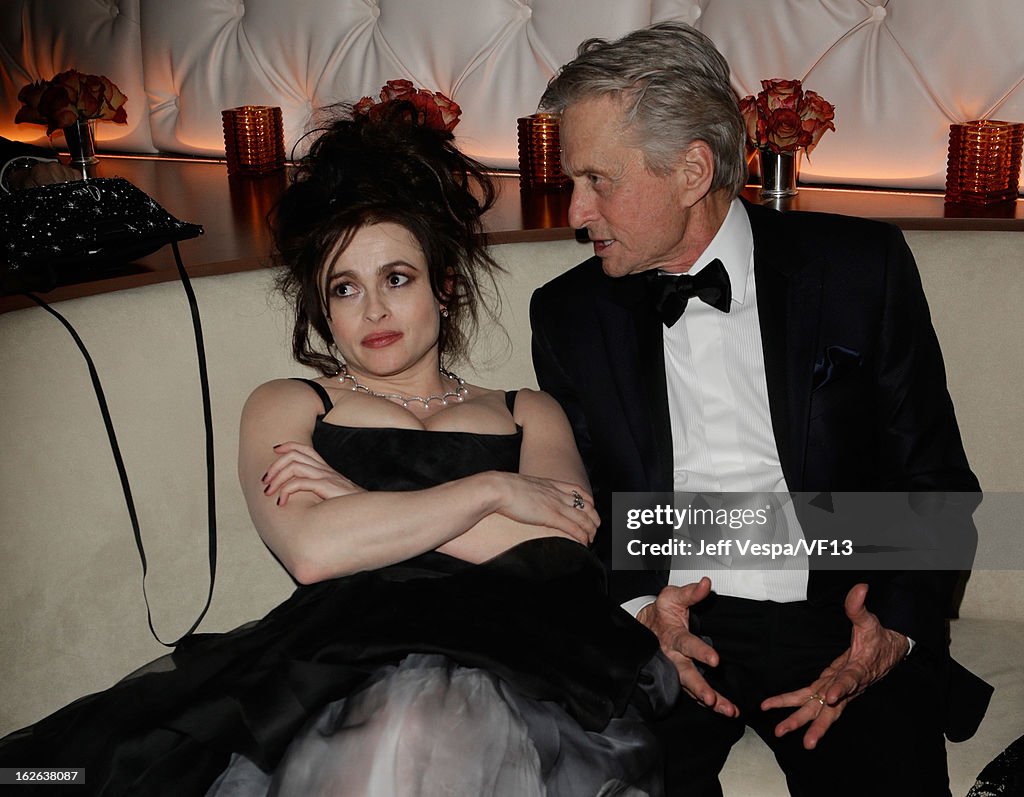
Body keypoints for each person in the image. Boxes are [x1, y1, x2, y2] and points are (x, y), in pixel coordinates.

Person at [0, 103, 677, 795]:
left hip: (520, 660)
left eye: (397, 278)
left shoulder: (525, 408)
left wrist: (356, 502)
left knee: (427, 726)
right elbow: (313, 550)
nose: (373, 311)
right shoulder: (288, 402)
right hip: (336, 658)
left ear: (445, 285)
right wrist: (493, 492)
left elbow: (561, 549)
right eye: (345, 289)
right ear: (324, 310)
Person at [529, 22, 991, 797]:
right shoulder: (569, 315)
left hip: (839, 605)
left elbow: (934, 478)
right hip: (674, 618)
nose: (576, 211)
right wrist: (641, 610)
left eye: (597, 179)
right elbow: (587, 507)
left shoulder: (856, 271)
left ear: (691, 170)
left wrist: (894, 630)